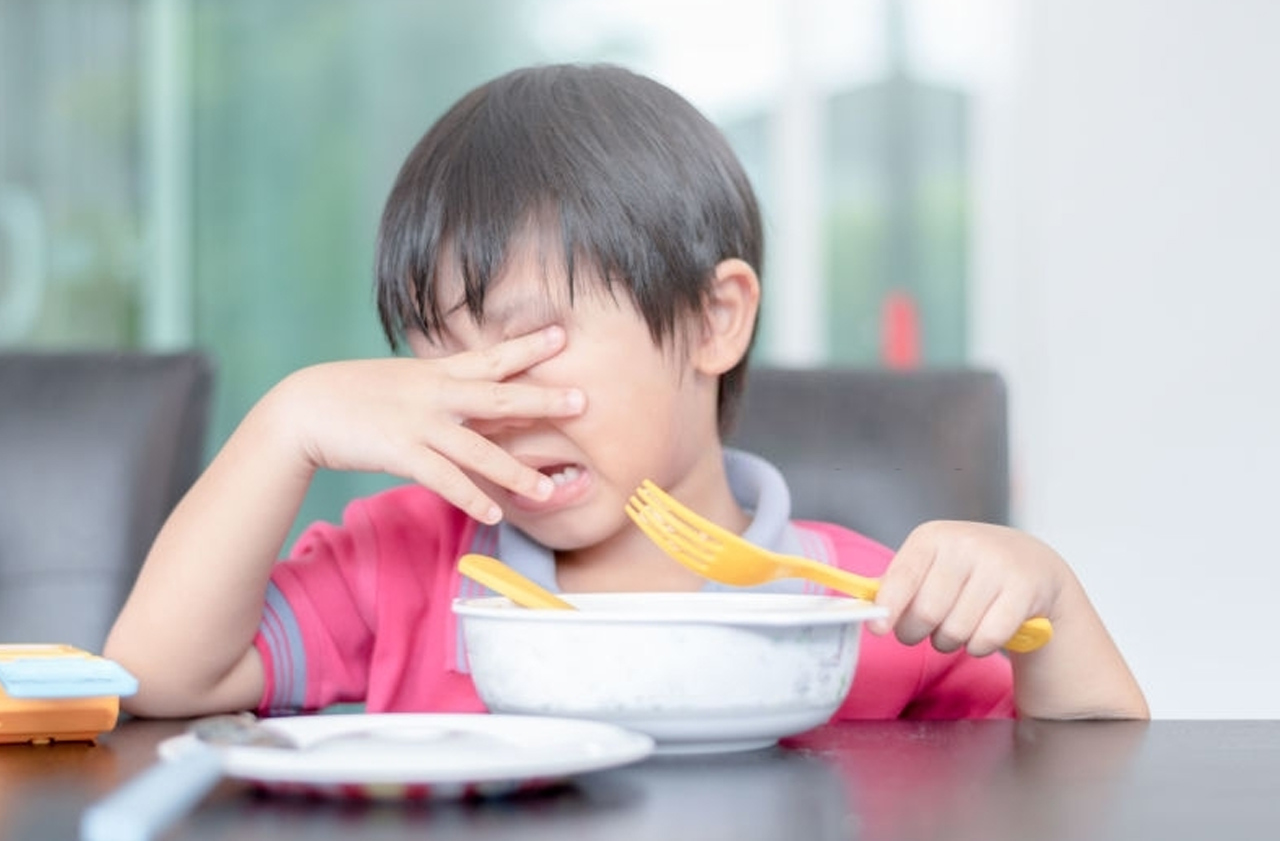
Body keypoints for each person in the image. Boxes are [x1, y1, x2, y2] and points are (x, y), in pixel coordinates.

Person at [104, 63, 1148, 722]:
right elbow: (159, 679)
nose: (490, 403)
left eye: (530, 342)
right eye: (442, 359)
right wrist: (285, 422)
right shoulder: (406, 565)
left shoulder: (859, 607)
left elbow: (1092, 761)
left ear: (712, 319)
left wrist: (1043, 588)